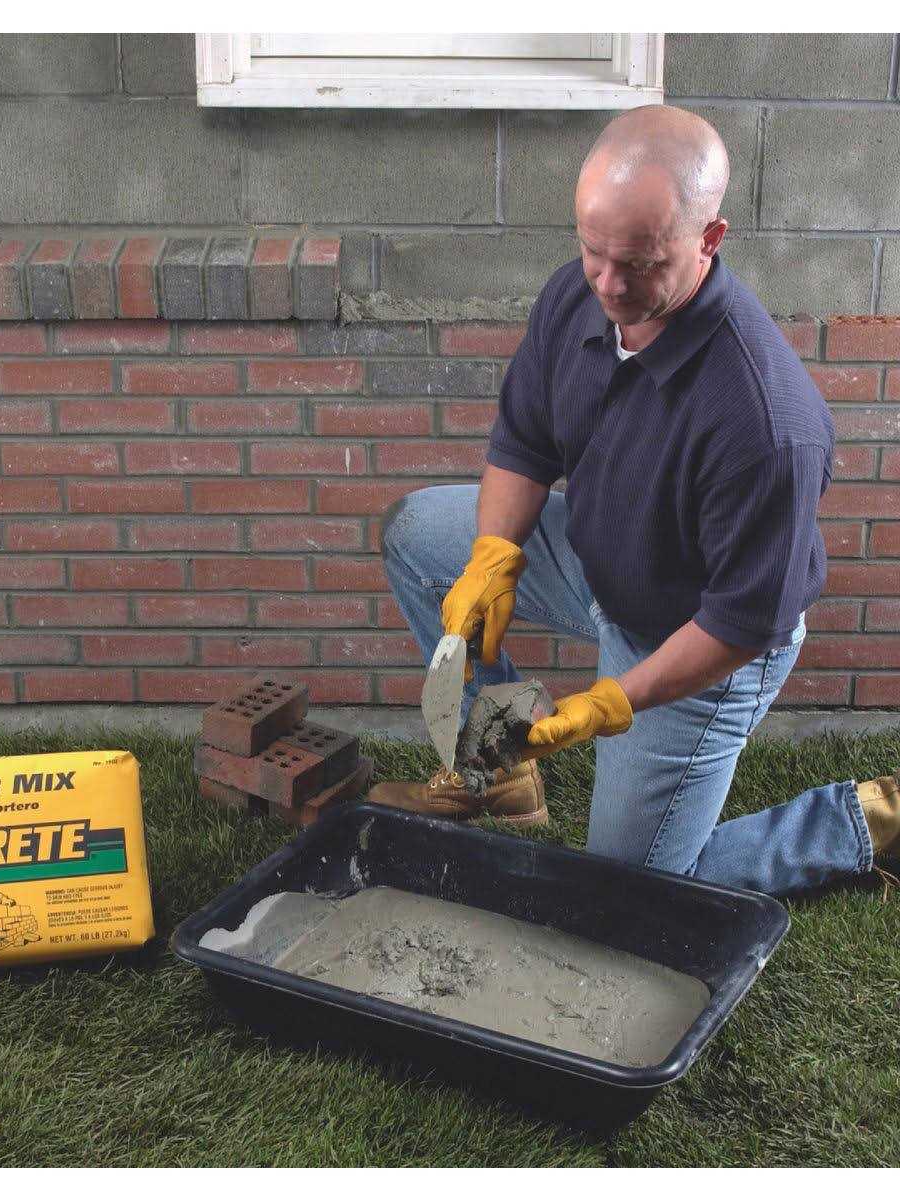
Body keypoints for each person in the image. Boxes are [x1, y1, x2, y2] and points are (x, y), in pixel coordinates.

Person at [368, 105, 899, 896]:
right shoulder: (578, 295)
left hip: (700, 639)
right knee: (419, 535)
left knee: (626, 892)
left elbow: (743, 620)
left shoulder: (765, 421)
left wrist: (611, 701)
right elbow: (523, 443)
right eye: (594, 252)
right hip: (604, 562)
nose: (609, 285)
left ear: (709, 239)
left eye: (641, 264)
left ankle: (866, 819)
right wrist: (494, 557)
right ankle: (498, 768)